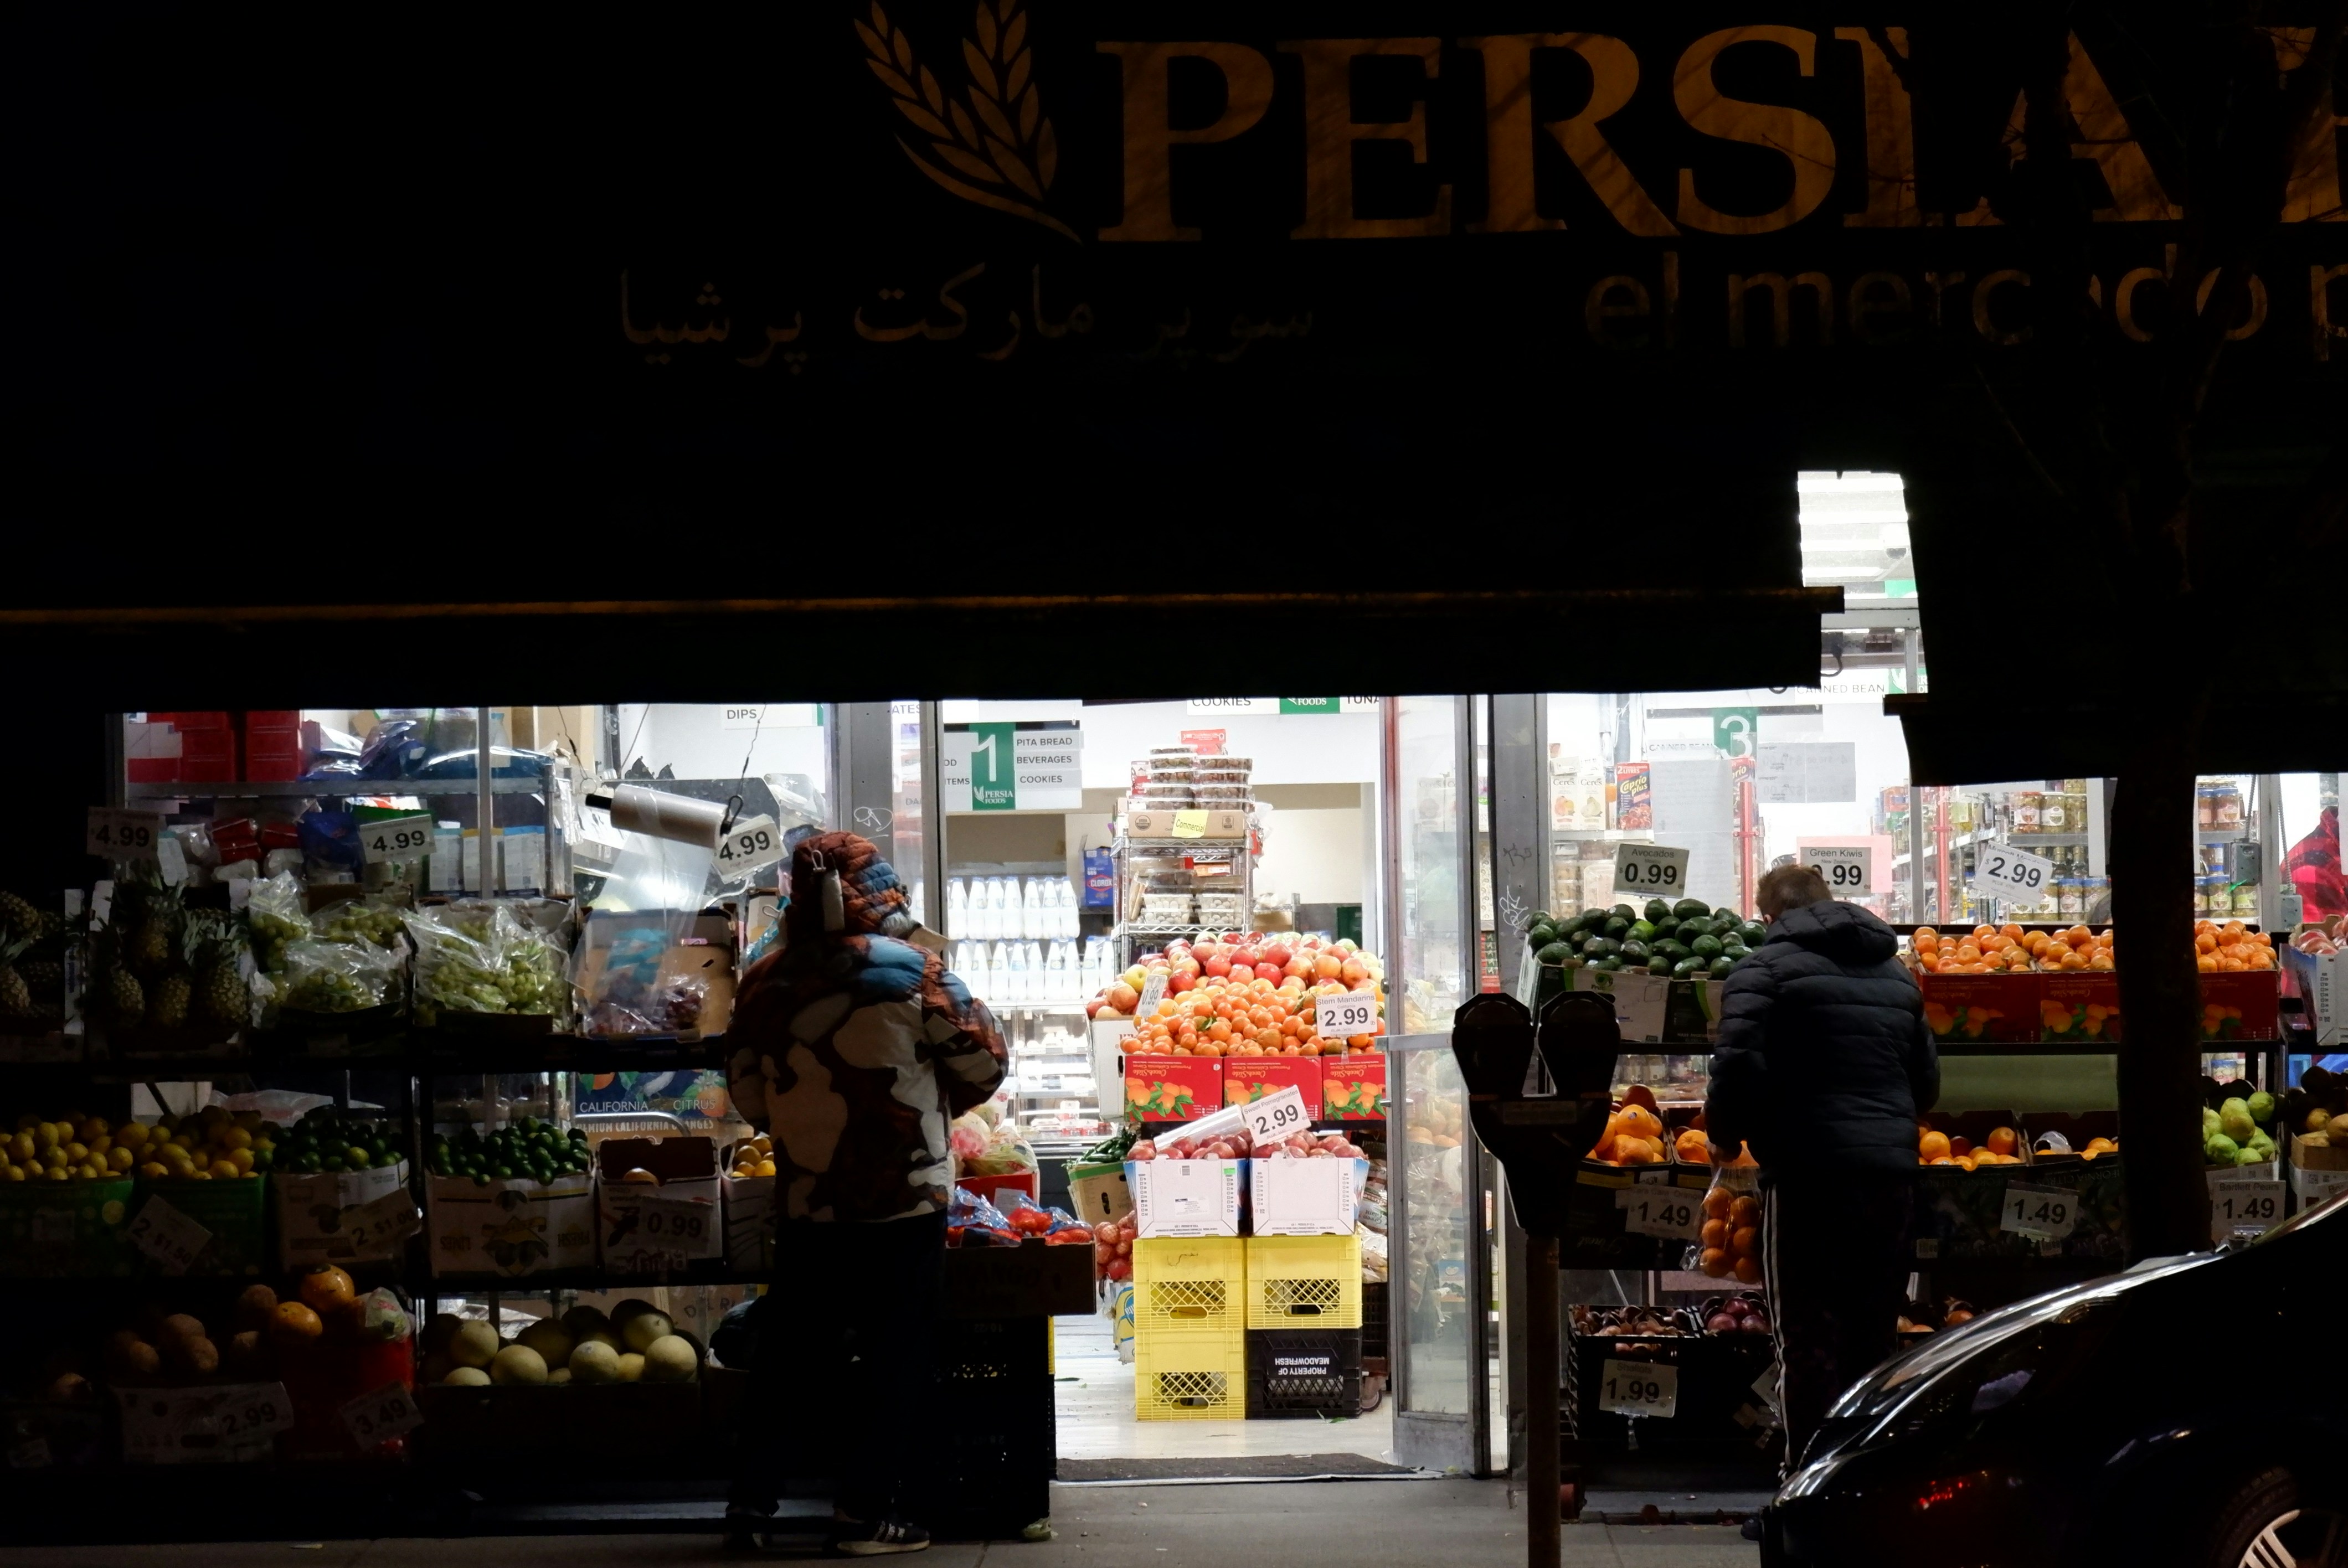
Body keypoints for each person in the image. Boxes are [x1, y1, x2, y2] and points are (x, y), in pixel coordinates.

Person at [721, 829, 1006, 1555]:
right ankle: (864, 1516)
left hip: (809, 1202)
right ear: (881, 893)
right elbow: (984, 1063)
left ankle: (750, 1508)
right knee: (894, 1355)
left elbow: (749, 1095)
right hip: (904, 1199)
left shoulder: (764, 981)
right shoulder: (915, 970)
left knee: (789, 1352)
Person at [1705, 863, 1938, 1488]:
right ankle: (1861, 1484)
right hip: (1889, 1178)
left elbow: (1735, 1067)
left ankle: (1806, 1488)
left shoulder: (1761, 970)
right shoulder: (1895, 973)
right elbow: (1927, 1085)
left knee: (1807, 1340)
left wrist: (1724, 1134)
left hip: (1807, 1176)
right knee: (1871, 1338)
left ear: (1768, 917)